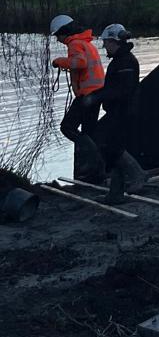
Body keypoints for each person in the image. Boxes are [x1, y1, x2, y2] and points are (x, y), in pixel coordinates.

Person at [49, 14, 106, 181]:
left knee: (67, 127)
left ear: (64, 32)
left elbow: (80, 63)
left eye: (58, 35)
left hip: (87, 95)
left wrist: (60, 61)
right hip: (96, 93)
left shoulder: (74, 44)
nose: (57, 39)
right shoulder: (86, 43)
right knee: (89, 131)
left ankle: (93, 159)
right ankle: (95, 172)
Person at [98, 24, 146, 204]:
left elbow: (123, 90)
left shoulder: (125, 62)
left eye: (106, 43)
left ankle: (137, 175)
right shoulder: (121, 60)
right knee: (112, 148)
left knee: (113, 148)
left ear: (114, 41)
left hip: (123, 111)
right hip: (119, 110)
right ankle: (115, 193)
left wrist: (99, 96)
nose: (105, 47)